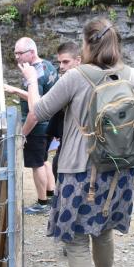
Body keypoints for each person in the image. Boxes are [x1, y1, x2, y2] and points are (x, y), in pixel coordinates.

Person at [22, 18, 134, 267]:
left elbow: (40, 111)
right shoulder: (132, 75)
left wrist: (32, 82)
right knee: (103, 229)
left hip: (79, 171)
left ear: (87, 44)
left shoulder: (77, 77)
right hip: (118, 169)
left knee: (75, 238)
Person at [4, 37, 58, 215]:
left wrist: (23, 133)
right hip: (49, 124)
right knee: (43, 160)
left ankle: (42, 203)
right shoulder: (48, 66)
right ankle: (51, 195)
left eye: (20, 53)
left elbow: (38, 105)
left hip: (37, 125)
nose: (17, 57)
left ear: (32, 52)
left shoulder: (35, 74)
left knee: (37, 164)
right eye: (15, 53)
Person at [47, 41, 82, 177]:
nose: (61, 66)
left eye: (66, 62)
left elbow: (42, 109)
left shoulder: (83, 81)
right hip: (64, 141)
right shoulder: (64, 78)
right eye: (60, 62)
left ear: (78, 60)